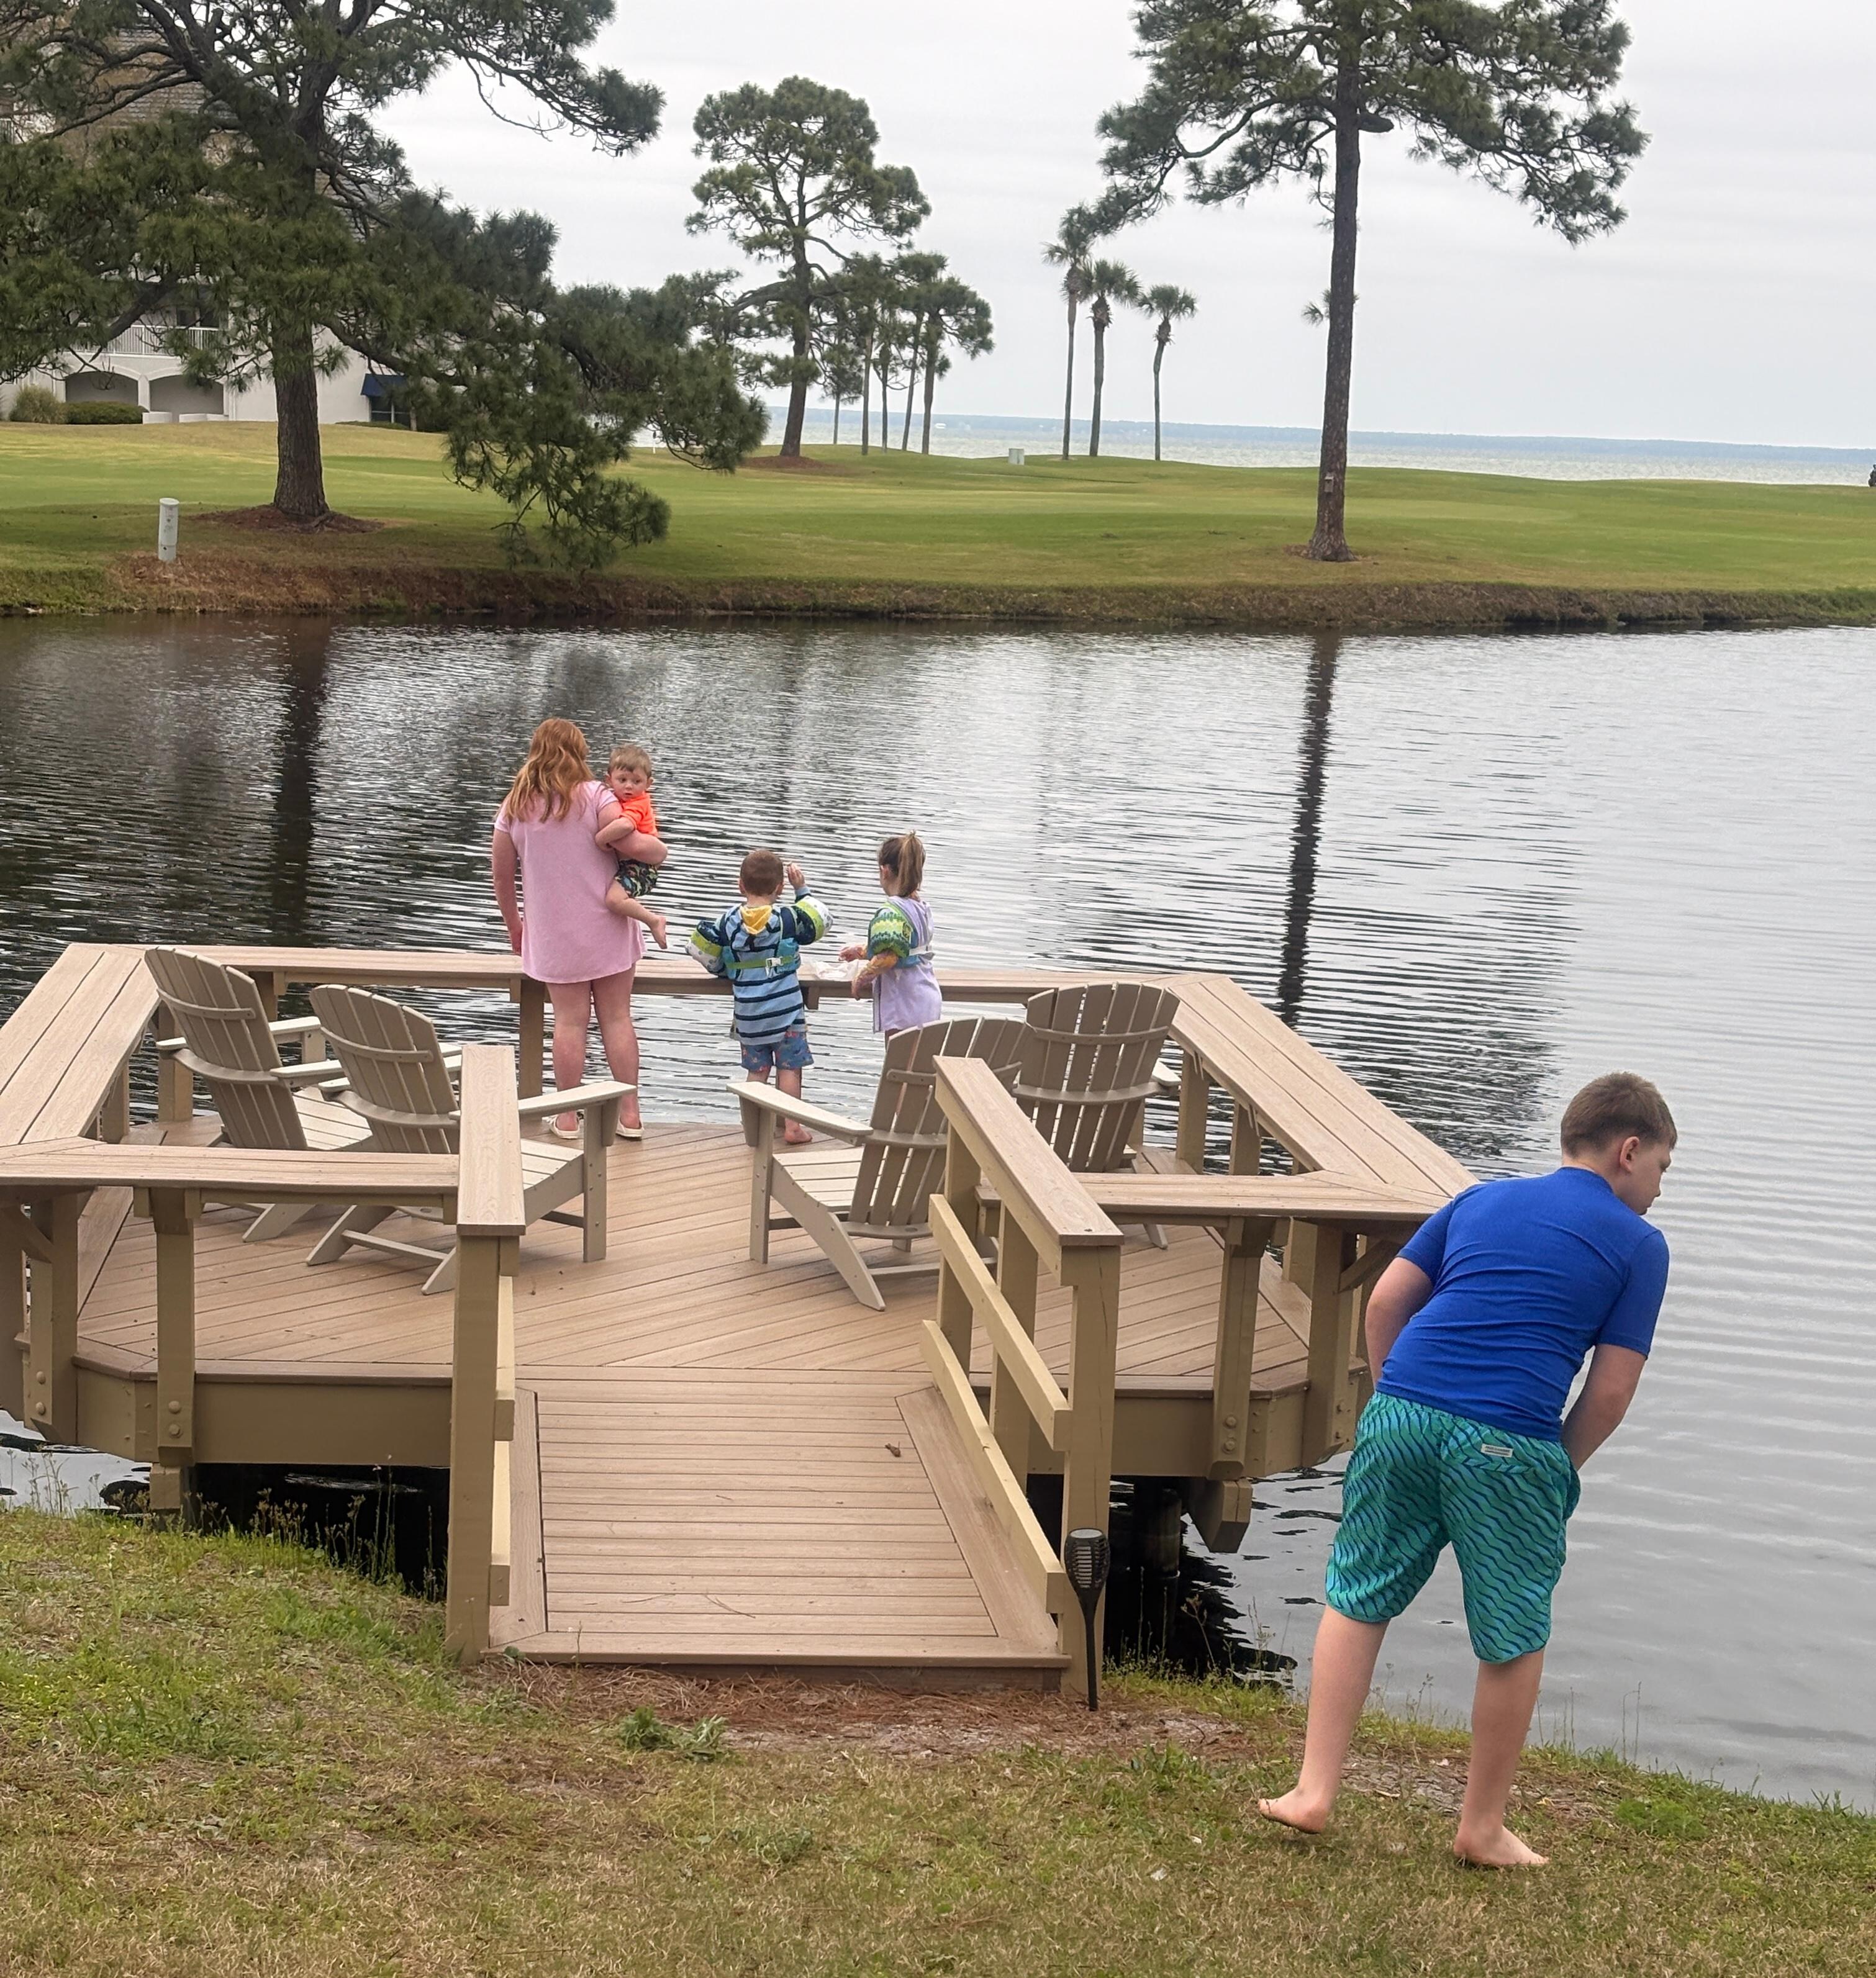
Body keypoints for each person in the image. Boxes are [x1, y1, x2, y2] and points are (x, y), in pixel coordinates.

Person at [1259, 1072, 1677, 1869]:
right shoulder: (1638, 1245)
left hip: (1405, 1409)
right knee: (1513, 1631)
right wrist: (1558, 1465)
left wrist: (1394, 1406)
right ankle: (1481, 1827)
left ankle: (1312, 1793)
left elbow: (1386, 1303)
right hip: (1509, 1441)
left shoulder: (1479, 1200)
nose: (1658, 1191)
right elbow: (1613, 1390)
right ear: (1629, 1152)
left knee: (1358, 1592)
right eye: (1661, 1170)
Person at [491, 718, 664, 1140]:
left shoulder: (514, 805)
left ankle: (567, 1118)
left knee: (569, 1024)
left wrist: (516, 928)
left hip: (553, 935)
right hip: (607, 927)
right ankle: (630, 1116)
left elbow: (501, 876)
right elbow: (638, 848)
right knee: (618, 1020)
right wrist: (660, 848)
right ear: (579, 754)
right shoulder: (597, 796)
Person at [691, 852, 828, 1146]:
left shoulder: (728, 921)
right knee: (790, 1069)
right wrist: (801, 890)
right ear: (780, 888)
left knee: (757, 1071)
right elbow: (819, 921)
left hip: (748, 1015)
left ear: (741, 885)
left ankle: (753, 1130)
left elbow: (708, 954)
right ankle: (792, 1127)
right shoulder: (787, 919)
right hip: (787, 1013)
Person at [840, 831, 941, 1036]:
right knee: (916, 1065)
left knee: (899, 1065)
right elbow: (907, 946)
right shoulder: (920, 907)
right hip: (926, 994)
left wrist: (862, 978)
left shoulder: (890, 912)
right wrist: (863, 951)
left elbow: (889, 957)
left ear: (884, 871)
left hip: (904, 1001)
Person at [594, 743, 669, 950]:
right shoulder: (613, 798)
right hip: (629, 864)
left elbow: (626, 824)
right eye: (622, 780)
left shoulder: (639, 802)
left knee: (614, 901)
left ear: (648, 783)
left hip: (642, 867)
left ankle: (653, 920)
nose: (629, 786)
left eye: (637, 781)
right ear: (609, 780)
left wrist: (600, 839)